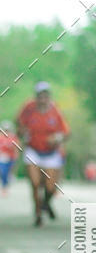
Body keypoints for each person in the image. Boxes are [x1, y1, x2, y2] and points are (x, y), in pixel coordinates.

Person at [16, 81, 69, 226]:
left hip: (51, 153)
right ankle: (38, 213)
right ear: (36, 97)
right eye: (40, 96)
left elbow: (65, 132)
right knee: (35, 182)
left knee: (50, 187)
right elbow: (19, 123)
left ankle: (46, 203)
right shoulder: (28, 108)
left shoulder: (55, 110)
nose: (43, 99)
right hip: (33, 150)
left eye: (45, 96)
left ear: (49, 97)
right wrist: (22, 132)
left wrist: (56, 138)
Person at [0, 121, 19, 196]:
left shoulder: (13, 138)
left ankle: (6, 186)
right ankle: (4, 188)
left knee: (8, 173)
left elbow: (16, 148)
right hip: (2, 157)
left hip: (11, 158)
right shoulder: (0, 137)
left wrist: (15, 158)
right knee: (3, 172)